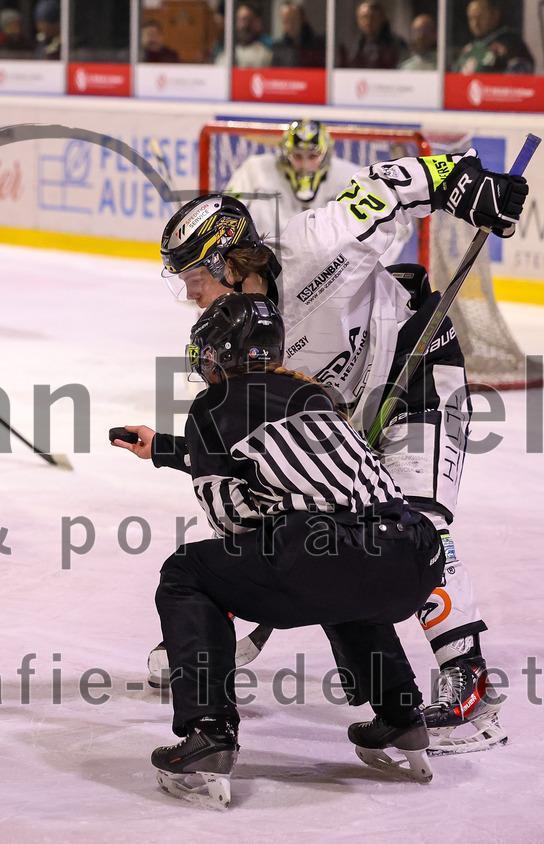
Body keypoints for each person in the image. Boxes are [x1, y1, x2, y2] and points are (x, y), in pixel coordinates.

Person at [150, 146, 527, 756]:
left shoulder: (318, 245)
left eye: (195, 276)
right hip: (349, 413)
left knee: (413, 524)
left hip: (416, 371)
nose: (190, 294)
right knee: (336, 529)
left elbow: (397, 182)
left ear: (227, 261)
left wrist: (466, 183)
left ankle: (471, 682)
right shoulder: (240, 326)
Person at [115, 292, 445, 807]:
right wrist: (167, 449)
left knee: (186, 571)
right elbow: (284, 466)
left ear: (219, 354)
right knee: (347, 574)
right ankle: (402, 717)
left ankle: (209, 731)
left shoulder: (211, 407)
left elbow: (229, 520)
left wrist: (270, 511)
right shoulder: (315, 396)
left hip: (326, 555)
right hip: (412, 554)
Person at [222, 120, 409, 259]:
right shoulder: (256, 170)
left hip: (329, 272)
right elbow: (226, 213)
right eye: (297, 155)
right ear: (286, 153)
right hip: (264, 264)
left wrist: (361, 266)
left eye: (312, 156)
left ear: (325, 153)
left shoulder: (351, 176)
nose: (304, 164)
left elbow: (400, 228)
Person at [452, 0, 535, 75]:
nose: (475, 23)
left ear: (495, 14)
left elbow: (519, 79)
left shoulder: (511, 44)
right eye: (471, 18)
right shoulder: (468, 50)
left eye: (480, 17)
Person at [339, 0, 408, 69]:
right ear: (358, 20)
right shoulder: (351, 46)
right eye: (364, 17)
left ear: (382, 18)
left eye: (372, 17)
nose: (368, 22)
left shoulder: (397, 44)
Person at [271, 0, 326, 68]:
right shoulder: (278, 49)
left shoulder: (317, 45)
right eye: (286, 21)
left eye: (294, 19)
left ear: (302, 19)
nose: (290, 25)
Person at [233, 2, 273, 67]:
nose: (242, 26)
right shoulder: (228, 52)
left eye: (245, 19)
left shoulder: (264, 54)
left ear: (256, 22)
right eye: (239, 20)